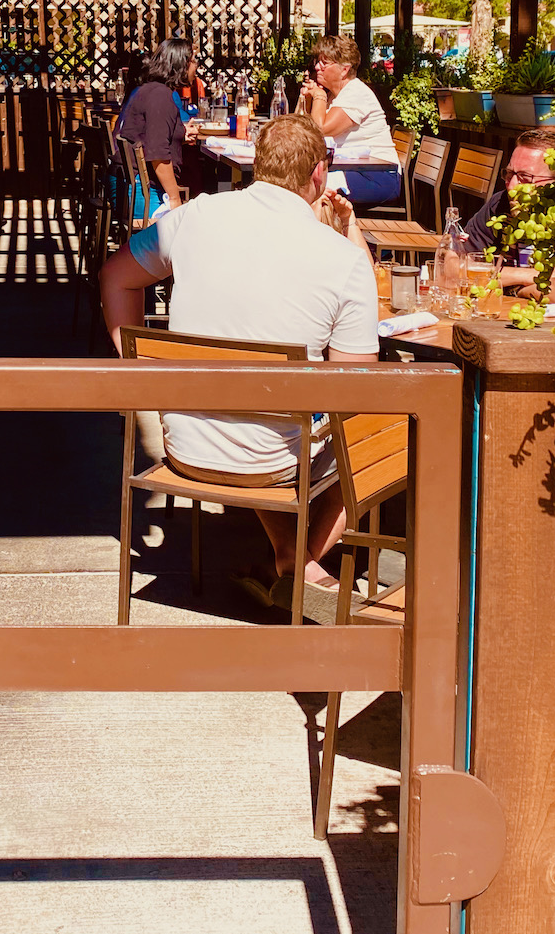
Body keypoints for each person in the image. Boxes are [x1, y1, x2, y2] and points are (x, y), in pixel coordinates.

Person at [99, 113, 378, 605]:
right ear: (319, 172)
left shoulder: (193, 217)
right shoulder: (344, 260)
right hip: (274, 461)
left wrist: (140, 372)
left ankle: (291, 557)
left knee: (269, 413)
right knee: (387, 425)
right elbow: (358, 390)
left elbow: (115, 277)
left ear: (258, 164)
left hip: (186, 444)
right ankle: (299, 562)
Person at [461, 126, 555, 302]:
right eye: (509, 174)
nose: (511, 186)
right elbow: (451, 269)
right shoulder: (500, 206)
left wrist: (516, 291)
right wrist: (526, 275)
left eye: (525, 178)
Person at [296, 33, 401, 209]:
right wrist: (306, 100)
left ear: (344, 69)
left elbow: (320, 129)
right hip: (351, 169)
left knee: (308, 188)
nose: (317, 67)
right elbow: (301, 130)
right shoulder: (334, 95)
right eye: (317, 61)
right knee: (294, 182)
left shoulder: (356, 93)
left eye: (324, 63)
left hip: (378, 176)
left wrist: (319, 96)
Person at [114, 36, 198, 214]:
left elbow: (148, 133)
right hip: (142, 189)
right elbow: (158, 154)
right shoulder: (161, 96)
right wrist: (175, 198)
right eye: (193, 60)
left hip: (129, 181)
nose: (196, 66)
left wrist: (180, 134)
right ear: (181, 64)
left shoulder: (148, 89)